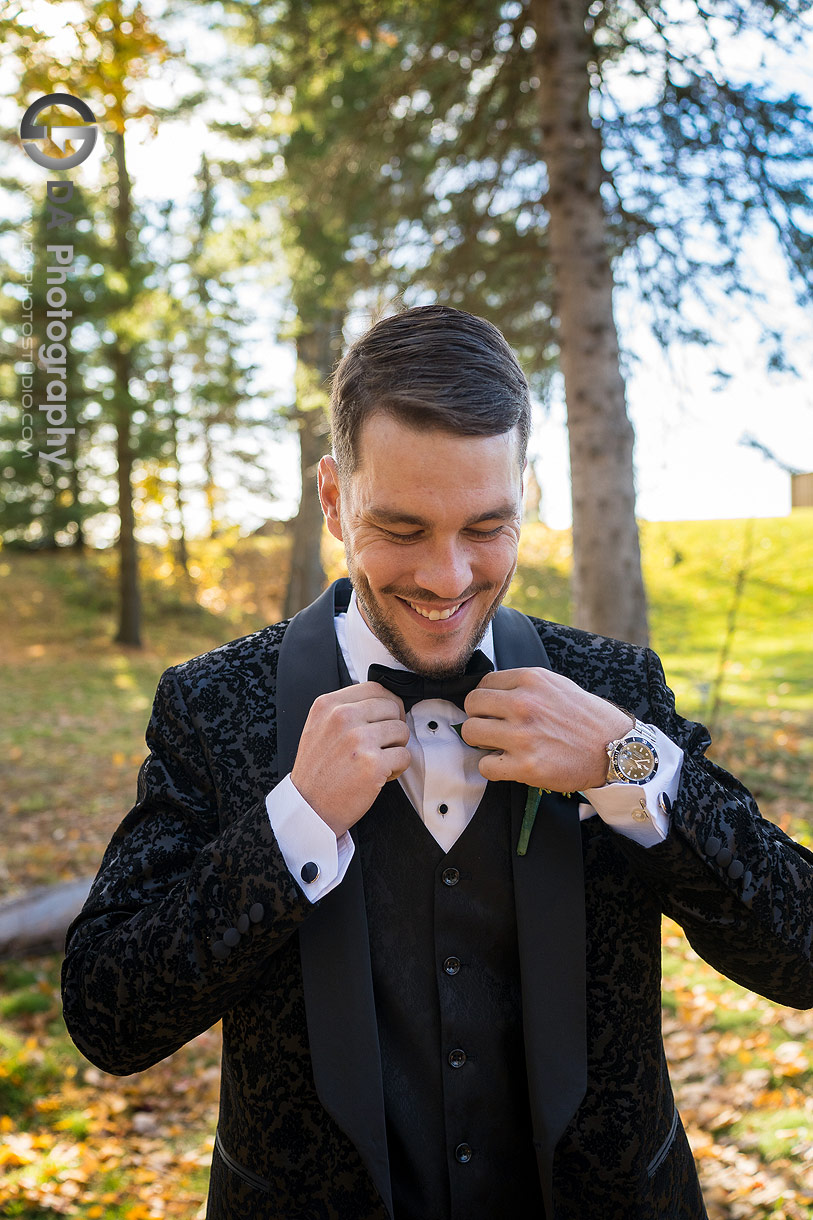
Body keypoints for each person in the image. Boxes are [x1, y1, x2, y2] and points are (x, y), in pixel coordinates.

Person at [62, 305, 813, 1220]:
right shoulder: (212, 703)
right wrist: (292, 819)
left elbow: (799, 949)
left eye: (486, 526)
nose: (449, 578)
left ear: (524, 494)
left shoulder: (615, 689)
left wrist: (628, 764)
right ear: (334, 500)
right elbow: (109, 1016)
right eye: (404, 529)